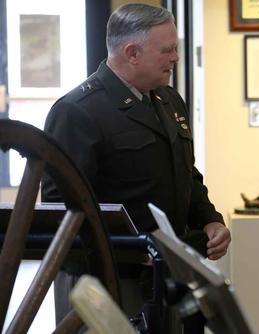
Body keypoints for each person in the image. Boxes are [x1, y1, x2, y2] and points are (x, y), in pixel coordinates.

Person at [41, 3, 231, 329]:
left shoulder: (169, 100)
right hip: (108, 278)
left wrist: (209, 219)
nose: (176, 58)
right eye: (167, 50)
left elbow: (185, 173)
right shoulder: (78, 111)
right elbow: (61, 208)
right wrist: (129, 250)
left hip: (166, 275)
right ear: (132, 52)